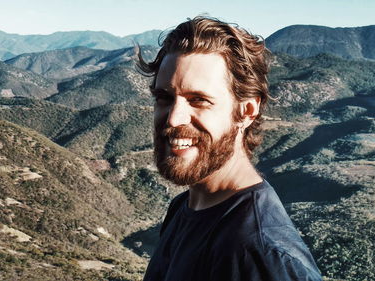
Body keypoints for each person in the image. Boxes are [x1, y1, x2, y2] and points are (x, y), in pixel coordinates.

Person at [137, 16, 322, 281]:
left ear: (246, 111)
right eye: (164, 98)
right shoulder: (185, 208)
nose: (173, 118)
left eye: (199, 100)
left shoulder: (262, 253)